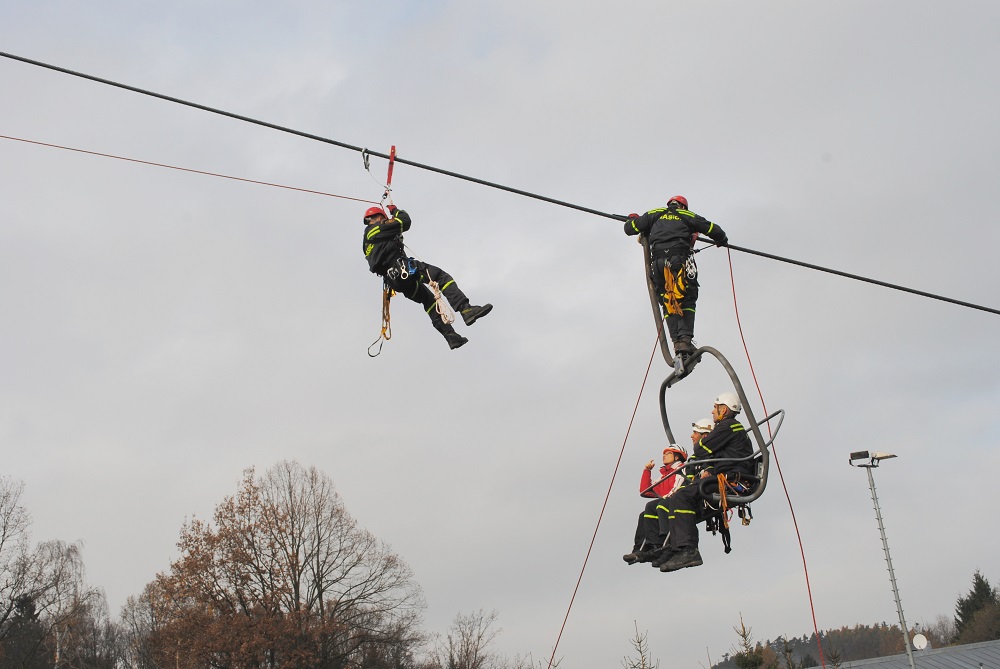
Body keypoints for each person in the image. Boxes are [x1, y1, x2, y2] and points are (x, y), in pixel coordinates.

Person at [362, 205, 492, 349]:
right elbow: (405, 221)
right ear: (379, 218)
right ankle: (466, 309)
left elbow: (390, 244)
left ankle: (451, 336)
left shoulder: (368, 242)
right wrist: (394, 210)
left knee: (428, 300)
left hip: (395, 281)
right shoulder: (377, 228)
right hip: (402, 269)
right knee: (441, 277)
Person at [650, 391, 754, 572]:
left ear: (724, 409)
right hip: (726, 475)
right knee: (675, 499)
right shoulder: (732, 429)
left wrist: (703, 443)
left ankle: (689, 550)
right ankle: (676, 548)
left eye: (715, 407)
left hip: (731, 480)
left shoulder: (727, 427)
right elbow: (721, 457)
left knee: (681, 497)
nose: (712, 412)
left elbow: (701, 450)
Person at [623, 196, 728, 358]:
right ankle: (685, 340)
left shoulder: (654, 214)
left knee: (667, 299)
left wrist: (633, 219)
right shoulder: (687, 216)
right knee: (687, 297)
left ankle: (677, 343)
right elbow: (715, 230)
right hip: (678, 262)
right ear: (683, 207)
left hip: (658, 264)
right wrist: (722, 240)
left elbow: (629, 229)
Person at [622, 419, 713, 565]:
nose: (664, 456)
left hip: (677, 498)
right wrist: (647, 471)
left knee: (662, 505)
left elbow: (680, 485)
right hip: (670, 498)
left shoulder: (680, 469)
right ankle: (645, 548)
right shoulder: (665, 475)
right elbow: (645, 491)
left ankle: (667, 545)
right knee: (646, 512)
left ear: (677, 456)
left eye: (668, 453)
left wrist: (669, 497)